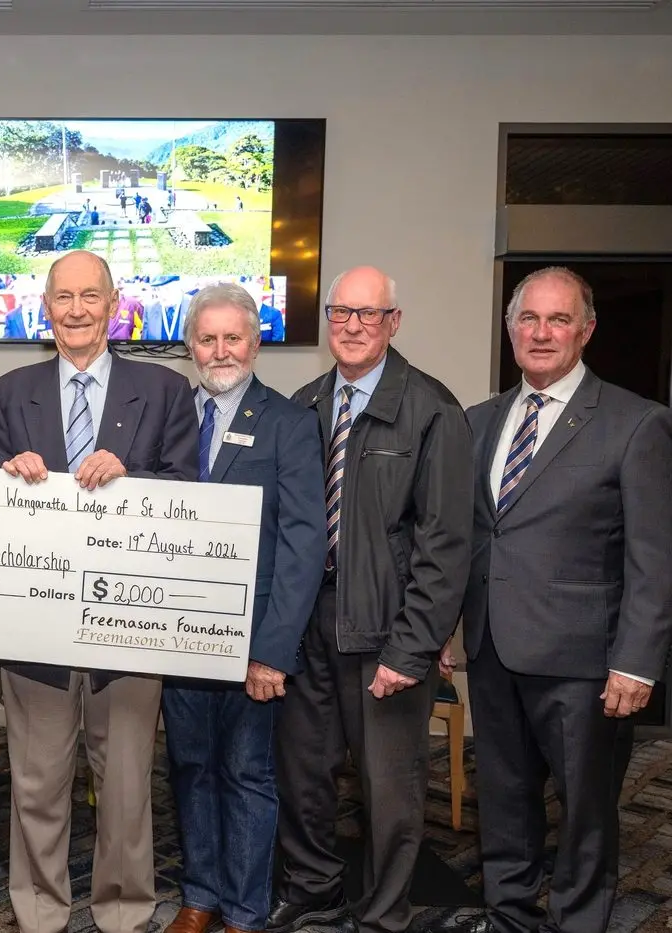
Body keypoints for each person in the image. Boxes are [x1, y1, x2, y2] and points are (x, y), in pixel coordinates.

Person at [439, 267, 672, 933]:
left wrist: (637, 661)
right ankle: (508, 911)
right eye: (529, 319)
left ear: (586, 330)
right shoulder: (477, 422)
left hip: (586, 663)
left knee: (585, 811)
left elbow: (654, 558)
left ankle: (579, 919)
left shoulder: (636, 424)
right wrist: (443, 631)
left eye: (558, 319)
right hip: (490, 649)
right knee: (505, 799)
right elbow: (467, 539)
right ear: (511, 330)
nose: (541, 332)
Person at [0, 249, 197, 933]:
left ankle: (125, 910)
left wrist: (131, 477)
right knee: (37, 782)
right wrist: (6, 475)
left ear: (115, 303)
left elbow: (190, 492)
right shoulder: (8, 393)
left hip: (130, 626)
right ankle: (40, 910)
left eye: (89, 296)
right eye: (63, 297)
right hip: (35, 627)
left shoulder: (165, 390)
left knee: (128, 785)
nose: (76, 309)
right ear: (45, 308)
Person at [270, 266, 473, 933]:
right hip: (309, 626)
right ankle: (314, 887)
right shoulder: (305, 402)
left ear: (394, 322)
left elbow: (446, 543)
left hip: (388, 630)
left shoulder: (432, 408)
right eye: (341, 312)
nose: (352, 325)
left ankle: (384, 912)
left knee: (389, 790)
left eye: (368, 313)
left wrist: (413, 646)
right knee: (303, 773)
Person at [161, 284, 326, 933]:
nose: (220, 350)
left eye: (234, 337)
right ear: (190, 345)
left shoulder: (287, 422)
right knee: (190, 767)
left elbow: (303, 542)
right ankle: (200, 895)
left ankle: (245, 912)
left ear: (255, 344)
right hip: (175, 634)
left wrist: (272, 650)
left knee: (246, 774)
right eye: (208, 337)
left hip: (253, 641)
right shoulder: (170, 416)